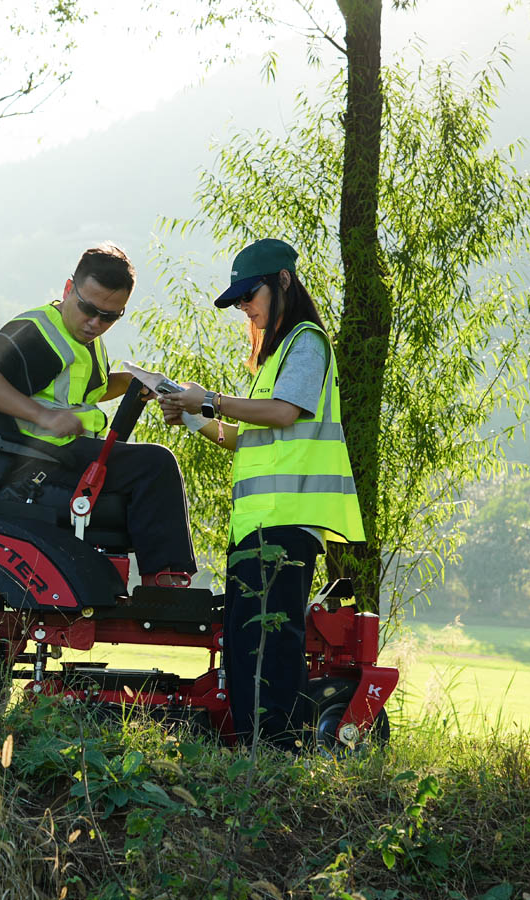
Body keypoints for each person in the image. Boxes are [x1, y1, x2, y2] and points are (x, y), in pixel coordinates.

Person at [159, 238, 365, 749]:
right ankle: (258, 749)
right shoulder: (274, 359)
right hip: (258, 525)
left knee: (270, 642)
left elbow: (283, 413)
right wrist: (191, 417)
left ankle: (278, 751)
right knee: (248, 641)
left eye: (250, 295)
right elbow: (245, 437)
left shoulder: (305, 342)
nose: (245, 308)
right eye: (238, 301)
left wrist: (210, 400)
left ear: (283, 282)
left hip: (286, 522)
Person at [0, 242, 196, 584]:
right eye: (89, 308)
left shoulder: (85, 340)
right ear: (68, 288)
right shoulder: (37, 331)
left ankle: (159, 582)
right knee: (155, 465)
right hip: (35, 463)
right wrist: (44, 417)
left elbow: (91, 391)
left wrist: (136, 382)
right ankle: (164, 584)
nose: (96, 323)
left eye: (110, 316)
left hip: (66, 455)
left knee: (149, 468)